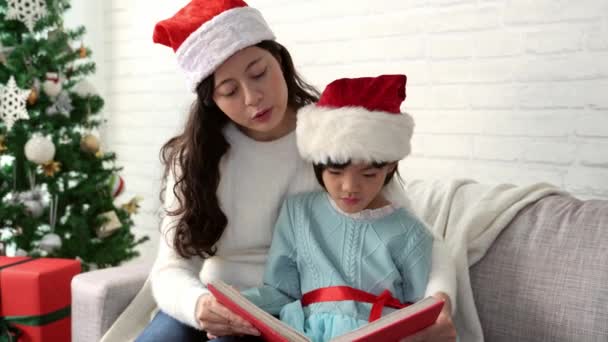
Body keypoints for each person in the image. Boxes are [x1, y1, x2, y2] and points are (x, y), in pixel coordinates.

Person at [127, 1, 457, 341]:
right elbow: (172, 267)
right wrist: (198, 304)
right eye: (229, 91)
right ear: (212, 100)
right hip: (214, 300)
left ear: (281, 62)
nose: (253, 97)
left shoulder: (332, 136)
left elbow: (424, 242)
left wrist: (439, 301)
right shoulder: (195, 158)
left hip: (299, 315)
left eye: (259, 73)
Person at [240, 75, 445, 342]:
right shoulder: (297, 213)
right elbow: (282, 291)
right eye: (335, 172)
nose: (350, 187)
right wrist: (238, 304)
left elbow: (420, 312)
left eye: (369, 174)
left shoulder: (410, 232)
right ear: (318, 164)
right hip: (306, 333)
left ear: (390, 166)